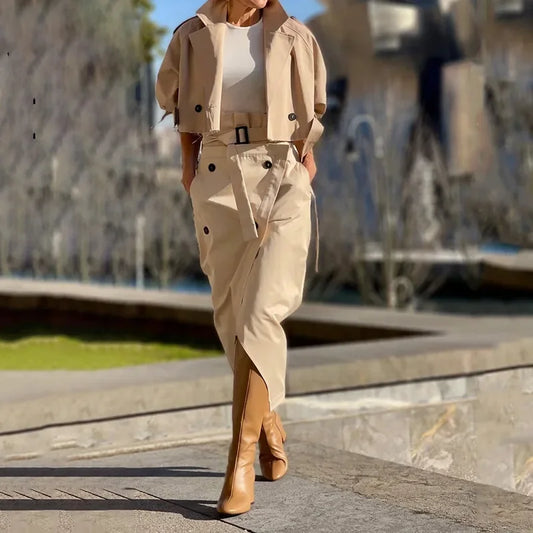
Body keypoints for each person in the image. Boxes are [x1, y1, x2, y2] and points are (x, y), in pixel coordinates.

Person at [155, 0, 327, 516]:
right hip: (218, 177)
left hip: (282, 179)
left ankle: (240, 459)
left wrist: (304, 167)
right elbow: (177, 104)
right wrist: (189, 168)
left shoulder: (296, 36)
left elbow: (312, 114)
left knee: (260, 313)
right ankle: (268, 420)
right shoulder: (193, 35)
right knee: (231, 316)